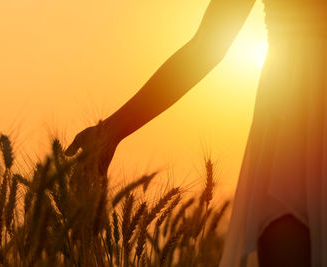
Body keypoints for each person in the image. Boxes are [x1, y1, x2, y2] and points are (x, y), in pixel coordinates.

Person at [66, 0, 327, 266]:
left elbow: (206, 48)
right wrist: (111, 130)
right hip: (291, 117)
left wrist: (112, 130)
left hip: (291, 115)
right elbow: (205, 48)